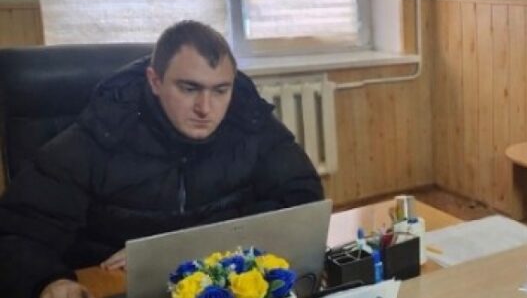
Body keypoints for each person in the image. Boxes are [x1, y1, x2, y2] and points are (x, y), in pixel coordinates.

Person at [0, 21, 324, 298]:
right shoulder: (101, 133)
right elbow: (16, 232)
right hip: (123, 287)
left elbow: (302, 199)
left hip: (223, 280)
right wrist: (50, 281)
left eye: (220, 90)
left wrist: (178, 248)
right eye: (189, 88)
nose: (205, 108)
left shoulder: (248, 119)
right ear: (155, 81)